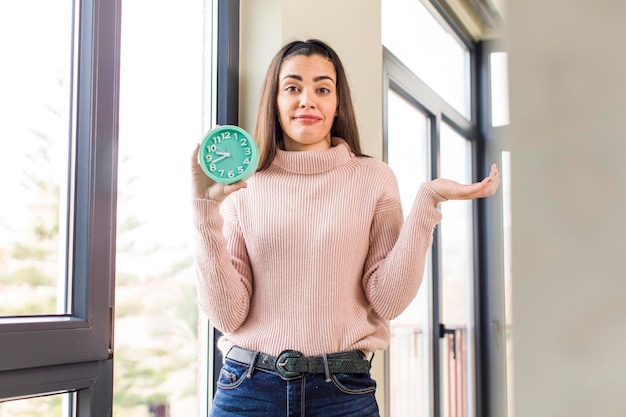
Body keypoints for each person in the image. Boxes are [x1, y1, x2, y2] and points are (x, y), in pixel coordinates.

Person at [191, 39, 499, 416]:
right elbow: (227, 316)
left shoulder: (373, 178)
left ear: (337, 105)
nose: (307, 100)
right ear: (274, 99)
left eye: (322, 89)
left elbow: (388, 300)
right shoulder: (244, 184)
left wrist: (428, 201)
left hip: (340, 393)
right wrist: (205, 210)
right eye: (292, 88)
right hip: (248, 390)